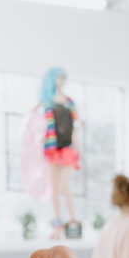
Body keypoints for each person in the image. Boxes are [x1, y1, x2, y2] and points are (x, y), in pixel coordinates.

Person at [38, 67, 81, 236]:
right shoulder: (46, 102)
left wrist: (77, 144)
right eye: (58, 78)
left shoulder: (69, 101)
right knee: (54, 186)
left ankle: (72, 219)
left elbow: (76, 124)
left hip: (68, 146)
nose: (61, 81)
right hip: (52, 146)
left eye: (63, 78)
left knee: (65, 185)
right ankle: (57, 221)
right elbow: (39, 124)